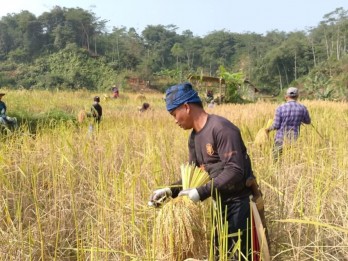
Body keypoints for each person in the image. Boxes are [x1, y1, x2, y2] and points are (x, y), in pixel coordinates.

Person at [149, 82, 263, 259]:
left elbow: (235, 170)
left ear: (186, 107)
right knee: (219, 255)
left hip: (240, 206)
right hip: (219, 206)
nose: (175, 121)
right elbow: (194, 176)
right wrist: (169, 191)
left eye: (174, 114)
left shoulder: (222, 128)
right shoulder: (194, 138)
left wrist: (200, 192)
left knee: (241, 256)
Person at [266, 87, 311, 161]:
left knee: (276, 162)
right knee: (291, 161)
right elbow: (308, 121)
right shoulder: (303, 108)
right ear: (297, 96)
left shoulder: (280, 108)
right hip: (294, 140)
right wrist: (300, 119)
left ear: (286, 96)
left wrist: (268, 129)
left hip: (280, 139)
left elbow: (276, 125)